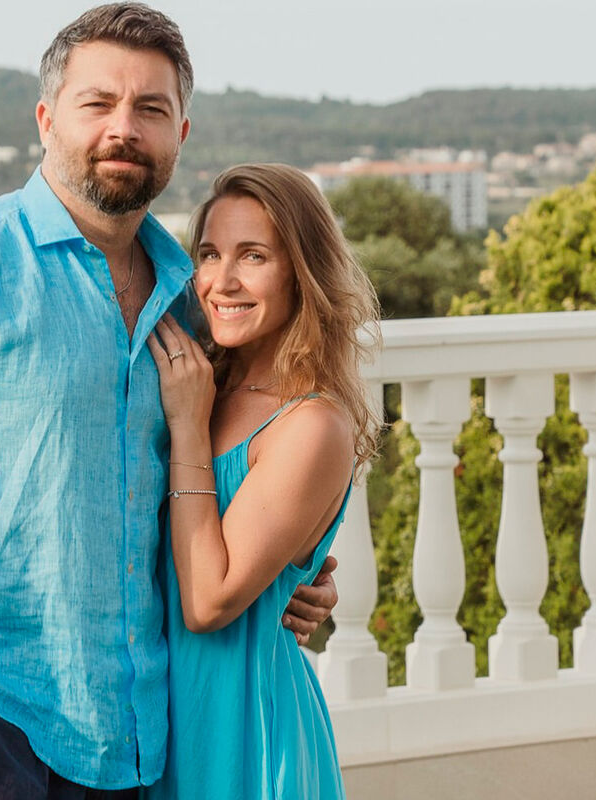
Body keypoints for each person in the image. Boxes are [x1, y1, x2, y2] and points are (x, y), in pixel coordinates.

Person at [0, 5, 338, 799]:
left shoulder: (190, 306)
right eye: (97, 103)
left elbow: (238, 484)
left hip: (131, 736)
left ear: (181, 133)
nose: (124, 128)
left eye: (151, 109)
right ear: (47, 120)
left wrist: (298, 579)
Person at [143, 163, 382, 799]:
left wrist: (188, 428)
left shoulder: (310, 423)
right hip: (158, 723)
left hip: (244, 732)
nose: (222, 281)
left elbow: (208, 602)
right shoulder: (201, 378)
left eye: (254, 256)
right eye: (210, 254)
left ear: (302, 272)